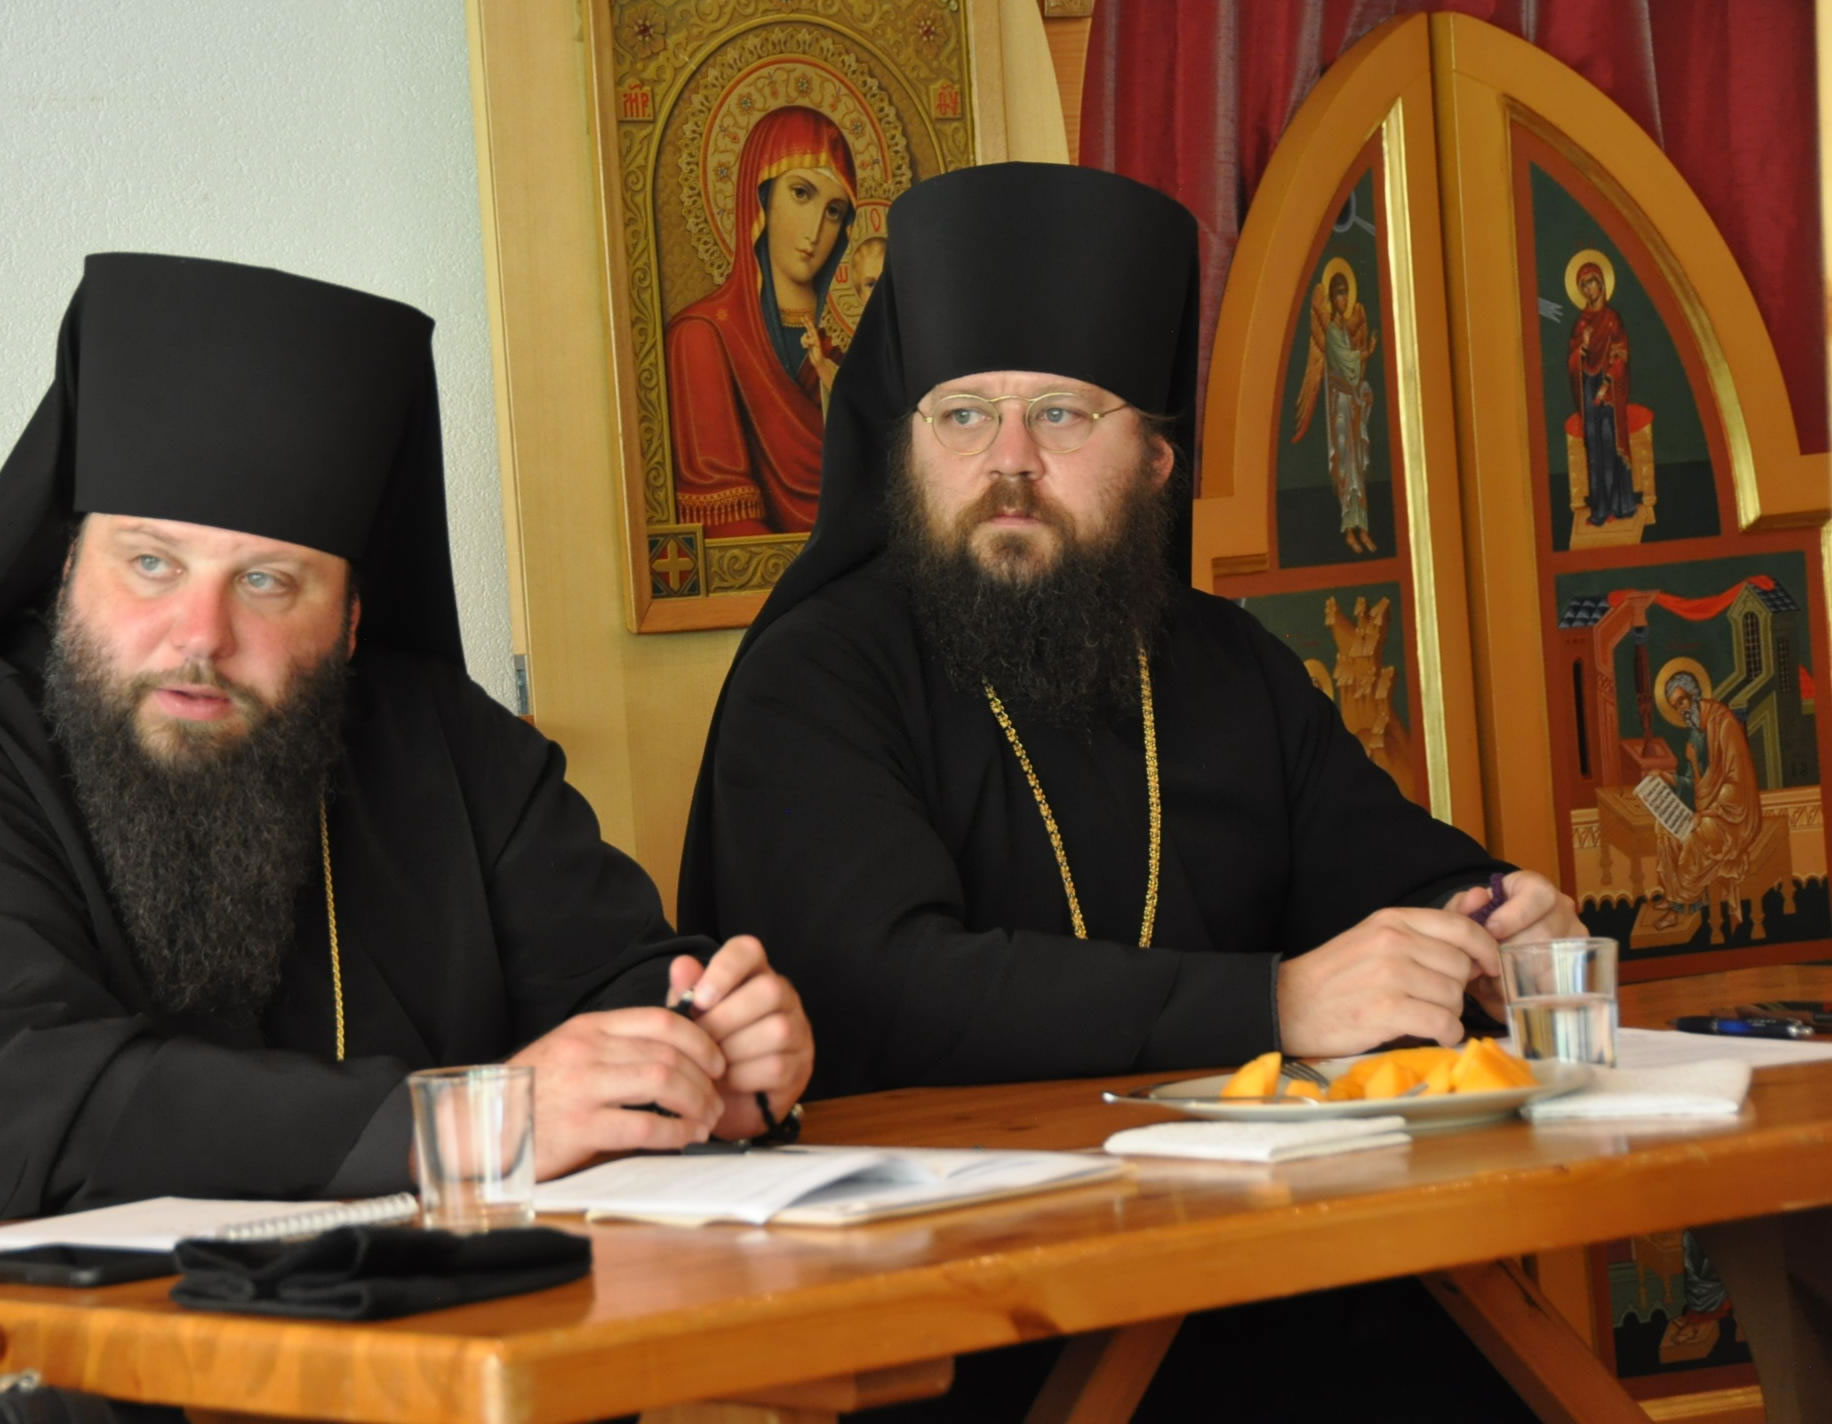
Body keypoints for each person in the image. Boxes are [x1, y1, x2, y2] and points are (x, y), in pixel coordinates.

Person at [679, 158, 1586, 1423]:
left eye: (1059, 415)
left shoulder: (1225, 664)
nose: (1006, 461)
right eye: (961, 416)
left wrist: (1492, 916)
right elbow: (881, 985)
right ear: (907, 451)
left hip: (1271, 1264)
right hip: (956, 1293)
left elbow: (1388, 864)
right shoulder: (816, 675)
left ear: (1155, 459)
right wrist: (1276, 1001)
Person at [0, 254, 813, 1255]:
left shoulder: (444, 743)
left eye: (266, 582)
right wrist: (476, 1121)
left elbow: (612, 979)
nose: (201, 635)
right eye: (152, 563)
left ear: (348, 620)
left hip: (431, 1343)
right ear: (68, 567)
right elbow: (37, 1116)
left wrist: (709, 1048)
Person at [666, 105, 856, 537]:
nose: (815, 230)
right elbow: (724, 523)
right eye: (801, 193)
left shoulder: (831, 359)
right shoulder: (702, 337)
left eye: (834, 211)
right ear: (760, 198)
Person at [1651, 669, 1761, 935]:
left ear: (1694, 695)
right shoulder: (1696, 733)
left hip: (1733, 816)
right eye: (1675, 706)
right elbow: (1694, 785)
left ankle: (1681, 906)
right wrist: (1669, 778)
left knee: (1695, 838)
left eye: (1682, 701)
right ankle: (1675, 894)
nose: (1681, 709)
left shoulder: (1724, 724)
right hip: (1708, 810)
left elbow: (1736, 784)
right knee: (1664, 829)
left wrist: (1709, 812)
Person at [1291, 265, 1380, 553]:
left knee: (1359, 470)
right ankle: (1349, 531)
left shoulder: (1345, 330)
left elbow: (1355, 373)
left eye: (1345, 293)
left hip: (1352, 405)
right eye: (1338, 293)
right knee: (1346, 469)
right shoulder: (1331, 332)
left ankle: (1363, 528)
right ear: (1331, 298)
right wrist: (1367, 352)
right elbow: (1346, 362)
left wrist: (1362, 393)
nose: (1343, 299)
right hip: (1340, 408)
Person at [1568, 258, 1637, 526]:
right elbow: (1574, 359)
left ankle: (1619, 504)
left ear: (1601, 283)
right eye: (1583, 285)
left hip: (1608, 389)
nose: (1589, 289)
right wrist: (1581, 348)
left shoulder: (1612, 319)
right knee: (1594, 448)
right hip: (1588, 385)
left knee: (1610, 445)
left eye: (1592, 282)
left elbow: (1622, 354)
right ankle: (1599, 508)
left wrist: (1607, 384)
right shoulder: (1581, 323)